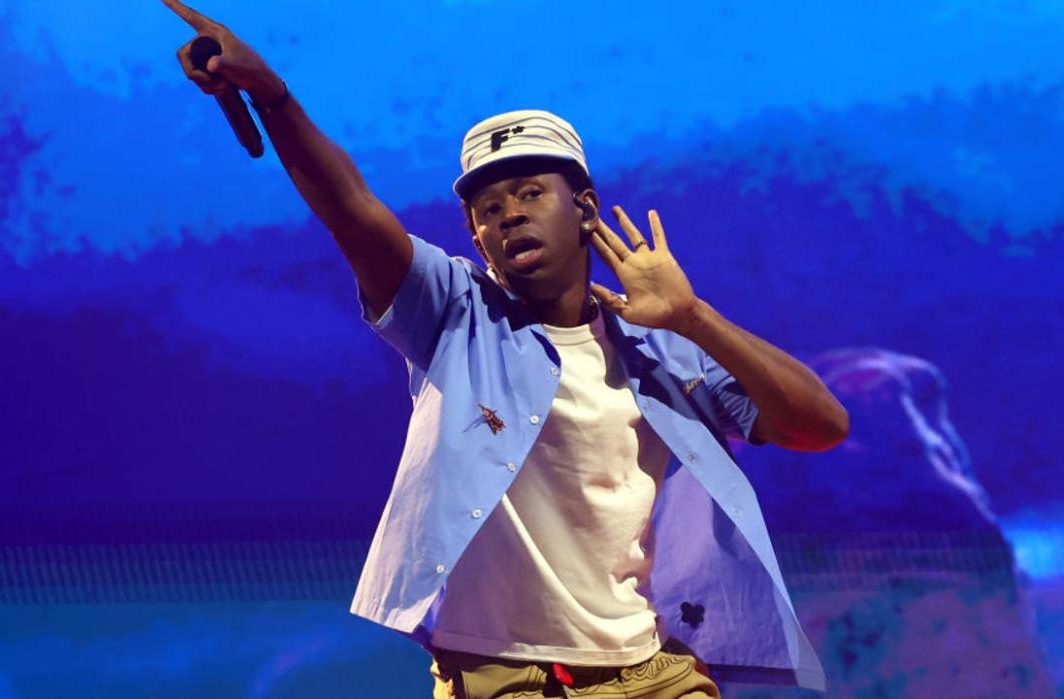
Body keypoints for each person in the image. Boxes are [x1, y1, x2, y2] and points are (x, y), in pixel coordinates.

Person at [165, 2, 849, 696]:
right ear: (475, 234)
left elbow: (820, 426)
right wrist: (274, 99)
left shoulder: (658, 348)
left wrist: (695, 317)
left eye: (529, 192)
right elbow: (352, 209)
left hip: (651, 671)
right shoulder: (455, 313)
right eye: (488, 208)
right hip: (508, 679)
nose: (510, 213)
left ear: (583, 208)